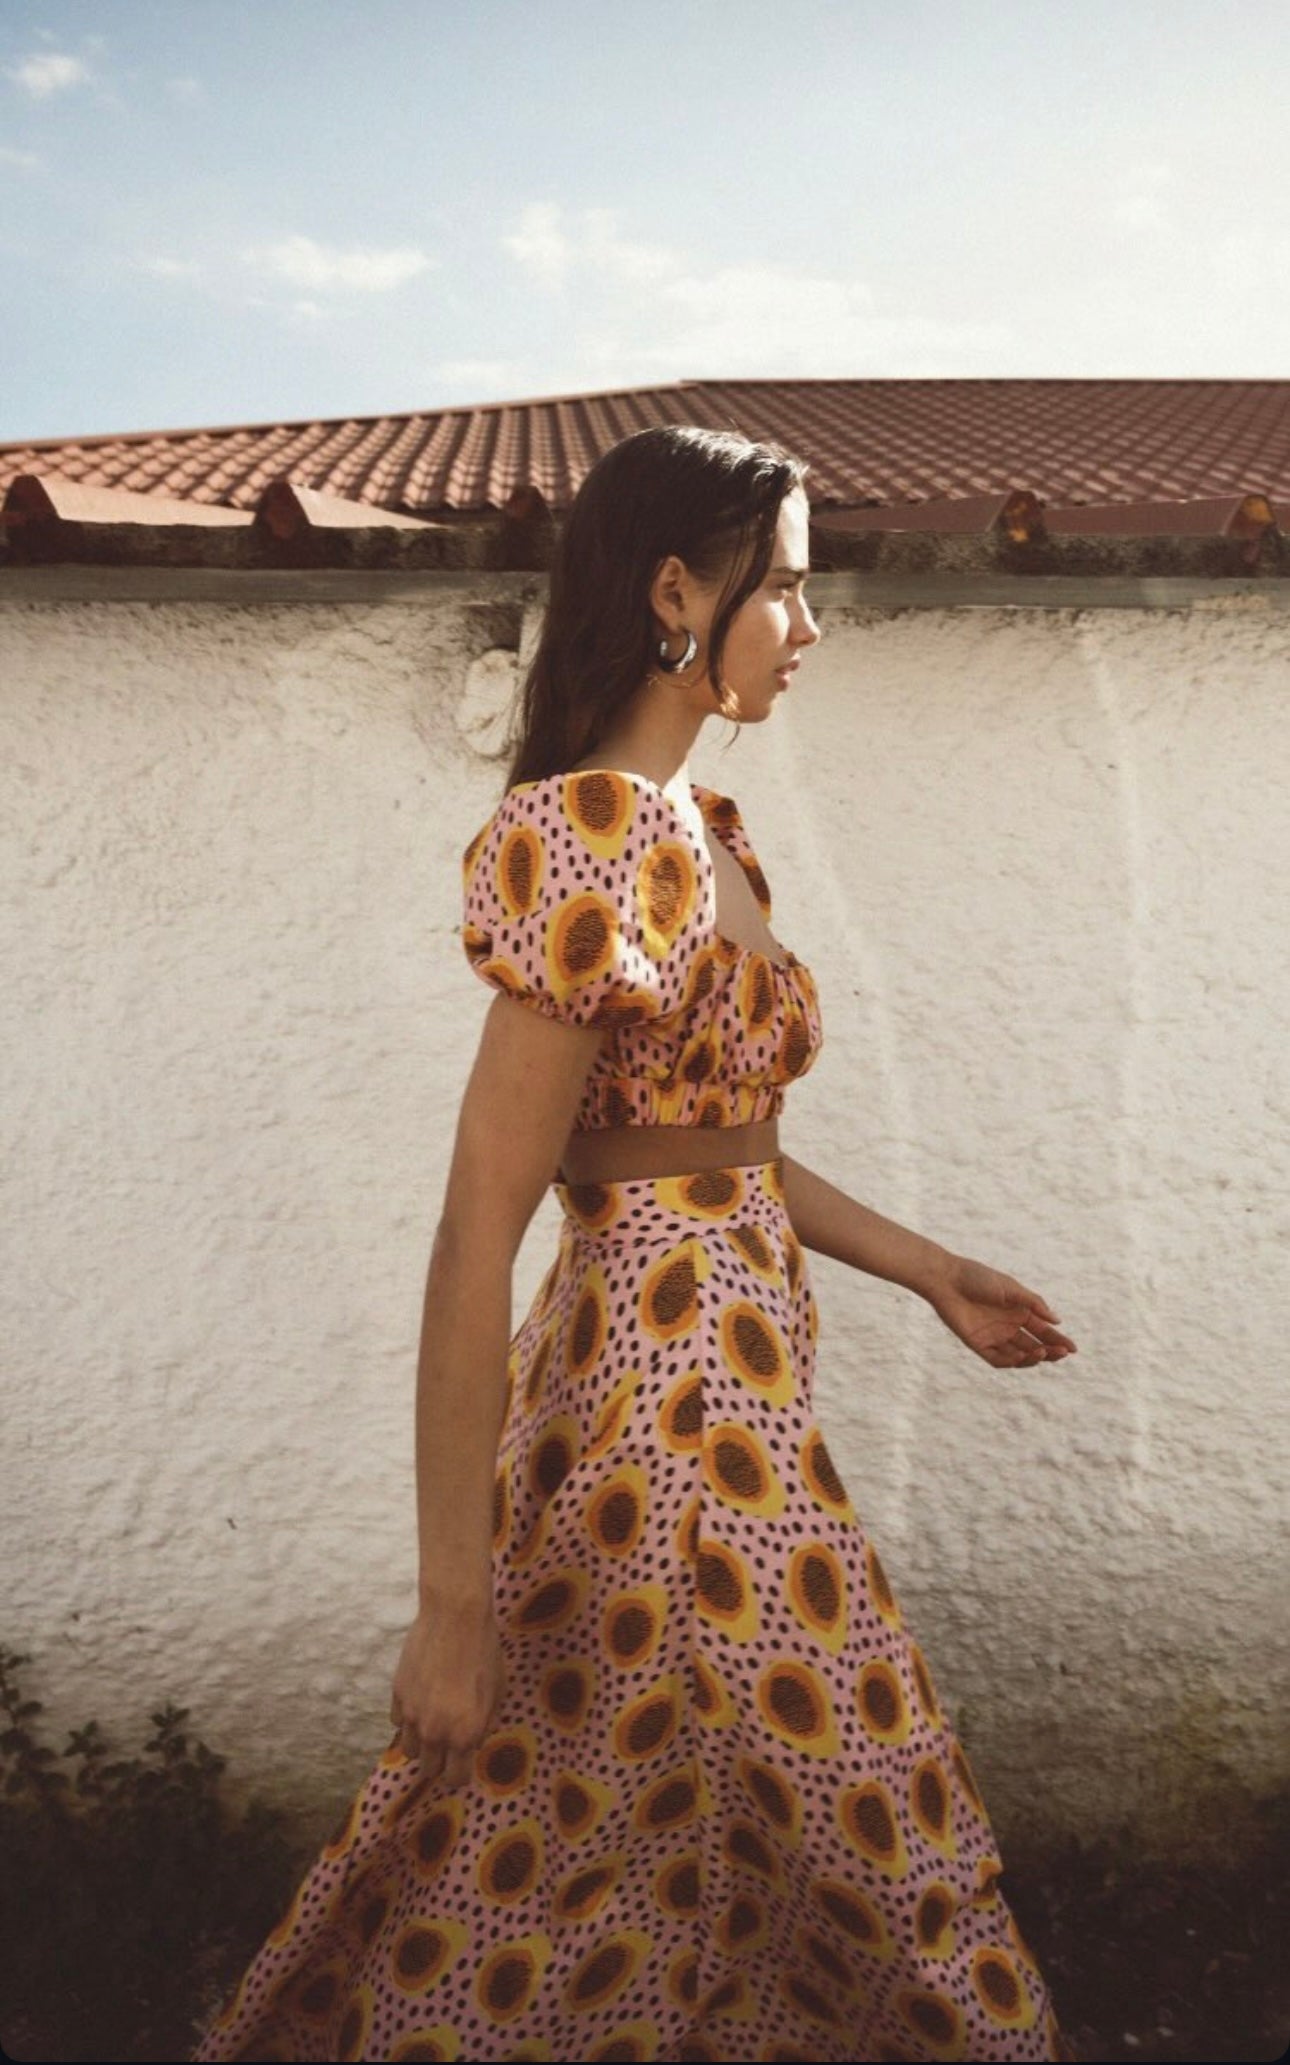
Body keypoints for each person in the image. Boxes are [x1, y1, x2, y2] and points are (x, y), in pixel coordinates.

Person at [193, 425, 1078, 2064]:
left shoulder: (702, 830)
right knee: (879, 1823)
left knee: (604, 1816)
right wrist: (447, 1601)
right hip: (672, 1419)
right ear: (678, 588)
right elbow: (479, 1226)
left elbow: (719, 1153)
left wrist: (926, 1264)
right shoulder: (592, 835)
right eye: (789, 590)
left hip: (738, 1389)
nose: (811, 627)